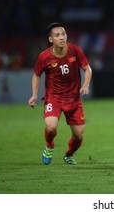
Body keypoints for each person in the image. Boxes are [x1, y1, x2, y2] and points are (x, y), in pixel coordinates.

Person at [28, 22, 92, 165]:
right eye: (57, 35)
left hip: (74, 99)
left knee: (78, 136)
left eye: (63, 34)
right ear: (51, 39)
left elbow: (87, 68)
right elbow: (36, 74)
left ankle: (69, 154)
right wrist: (34, 94)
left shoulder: (75, 51)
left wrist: (85, 85)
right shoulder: (44, 57)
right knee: (51, 127)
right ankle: (49, 145)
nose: (62, 37)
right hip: (53, 98)